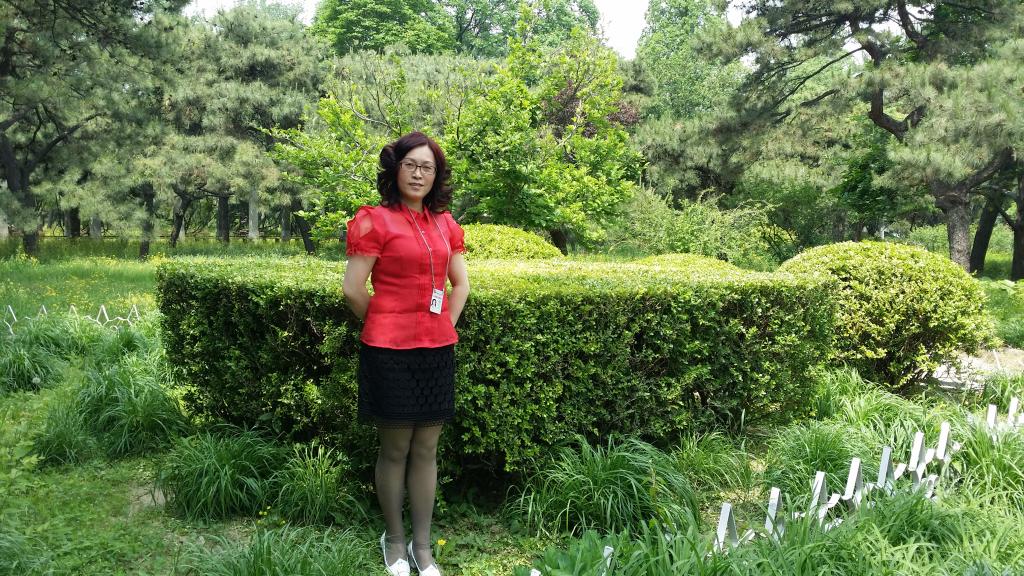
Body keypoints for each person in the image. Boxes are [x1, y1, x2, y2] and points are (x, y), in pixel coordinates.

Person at [342, 131, 469, 576]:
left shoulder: (445, 224)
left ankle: (422, 546)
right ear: (396, 170)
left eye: (427, 167)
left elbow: (461, 285)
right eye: (411, 165)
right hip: (388, 352)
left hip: (435, 352)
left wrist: (442, 325)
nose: (418, 174)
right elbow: (353, 289)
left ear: (437, 176)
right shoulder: (374, 221)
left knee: (427, 449)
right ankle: (394, 540)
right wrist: (385, 322)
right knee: (395, 449)